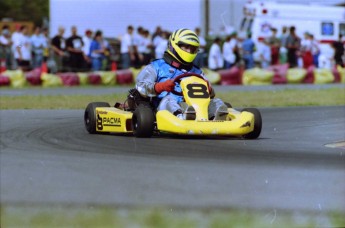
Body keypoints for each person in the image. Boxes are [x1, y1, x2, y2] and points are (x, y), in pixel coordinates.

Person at [135, 28, 228, 121]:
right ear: (174, 45)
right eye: (186, 47)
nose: (189, 51)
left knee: (216, 102)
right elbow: (140, 86)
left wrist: (209, 89)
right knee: (169, 100)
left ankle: (215, 118)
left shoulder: (197, 72)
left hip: (195, 107)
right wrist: (161, 86)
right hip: (161, 109)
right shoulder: (156, 66)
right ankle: (181, 117)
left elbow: (210, 95)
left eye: (193, 49)